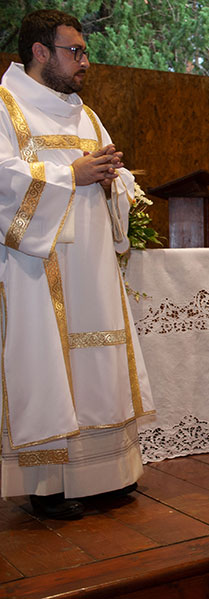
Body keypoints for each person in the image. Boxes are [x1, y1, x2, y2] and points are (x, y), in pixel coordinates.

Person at [0, 9, 154, 519]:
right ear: (40, 52)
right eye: (75, 51)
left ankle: (103, 475)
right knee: (46, 367)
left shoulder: (84, 114)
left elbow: (115, 174)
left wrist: (115, 181)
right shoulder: (5, 107)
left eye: (84, 51)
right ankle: (48, 488)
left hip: (92, 270)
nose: (84, 61)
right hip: (34, 272)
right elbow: (3, 182)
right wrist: (73, 172)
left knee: (100, 363)